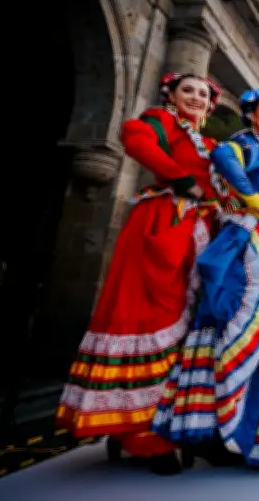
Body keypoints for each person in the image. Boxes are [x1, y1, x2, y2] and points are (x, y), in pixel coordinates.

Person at [56, 72, 224, 475]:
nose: (197, 98)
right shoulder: (160, 120)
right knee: (149, 317)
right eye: (188, 91)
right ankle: (141, 433)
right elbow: (136, 141)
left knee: (186, 332)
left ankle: (174, 423)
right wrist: (184, 181)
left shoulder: (212, 144)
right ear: (171, 94)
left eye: (203, 94)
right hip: (162, 226)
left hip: (198, 235)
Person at [152, 88, 259, 469]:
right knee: (236, 320)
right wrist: (255, 201)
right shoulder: (243, 145)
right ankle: (214, 429)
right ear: (250, 114)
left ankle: (250, 432)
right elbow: (223, 159)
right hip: (246, 237)